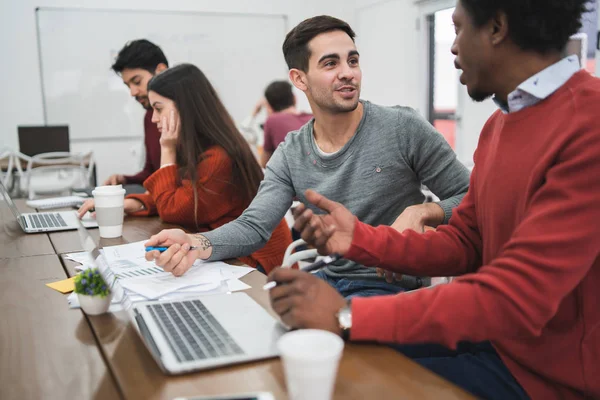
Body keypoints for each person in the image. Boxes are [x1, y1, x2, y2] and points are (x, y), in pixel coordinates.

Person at [268, 1, 598, 399]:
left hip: (545, 379)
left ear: (496, 27)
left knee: (355, 379)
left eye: (458, 29)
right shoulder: (500, 124)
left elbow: (514, 296)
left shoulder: (588, 124)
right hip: (496, 343)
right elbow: (466, 242)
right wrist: (358, 239)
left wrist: (346, 316)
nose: (454, 48)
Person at [145, 16, 470, 298]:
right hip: (327, 278)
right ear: (299, 79)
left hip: (388, 287)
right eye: (331, 63)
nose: (348, 73)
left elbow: (474, 197)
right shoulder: (292, 152)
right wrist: (193, 243)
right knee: (260, 325)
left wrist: (425, 211)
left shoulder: (402, 127)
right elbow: (254, 227)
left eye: (352, 61)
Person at [80, 64, 292, 273]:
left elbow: (173, 209)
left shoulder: (219, 157)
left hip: (255, 263)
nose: (154, 118)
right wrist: (127, 203)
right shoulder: (200, 148)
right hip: (224, 251)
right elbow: (180, 195)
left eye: (159, 108)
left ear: (184, 107)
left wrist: (167, 149)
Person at [104, 39, 168, 186]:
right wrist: (125, 180)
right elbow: (152, 173)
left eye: (137, 81)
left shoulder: (186, 114)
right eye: (128, 85)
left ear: (161, 71)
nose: (133, 92)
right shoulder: (150, 117)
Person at [259, 81, 313, 168]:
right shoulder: (313, 118)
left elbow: (264, 163)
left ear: (269, 105)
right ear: (294, 98)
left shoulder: (272, 120)